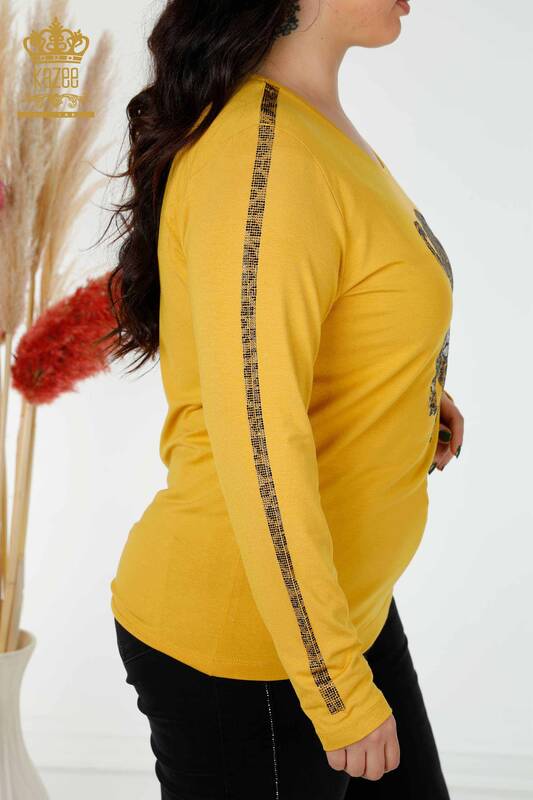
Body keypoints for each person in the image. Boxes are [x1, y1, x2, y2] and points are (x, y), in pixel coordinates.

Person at [103, 1, 464, 797]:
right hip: (256, 647)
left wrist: (404, 393)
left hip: (337, 605)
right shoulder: (258, 154)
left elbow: (327, 318)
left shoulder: (309, 124)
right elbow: (257, 441)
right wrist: (335, 689)